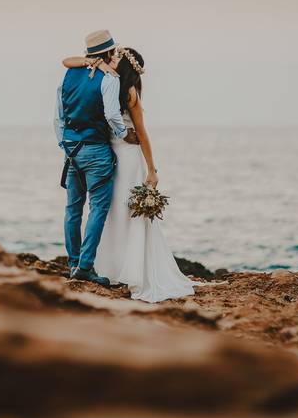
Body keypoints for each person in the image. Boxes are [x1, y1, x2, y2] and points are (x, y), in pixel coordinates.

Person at [60, 44, 197, 303]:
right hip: (109, 154)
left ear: (121, 64)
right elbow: (69, 62)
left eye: (116, 56)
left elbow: (142, 134)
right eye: (111, 54)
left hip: (123, 156)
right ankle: (111, 265)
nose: (112, 58)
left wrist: (151, 170)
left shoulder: (125, 91)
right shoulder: (107, 84)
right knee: (110, 212)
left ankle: (122, 266)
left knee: (120, 210)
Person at [53, 30, 139, 285]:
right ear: (109, 52)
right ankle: (86, 266)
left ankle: (73, 262)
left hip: (71, 148)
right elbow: (112, 115)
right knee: (98, 208)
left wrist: (64, 143)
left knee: (72, 209)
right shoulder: (108, 78)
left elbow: (58, 115)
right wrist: (124, 134)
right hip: (96, 149)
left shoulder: (69, 75)